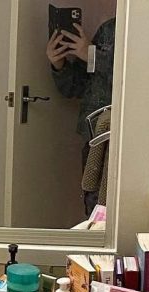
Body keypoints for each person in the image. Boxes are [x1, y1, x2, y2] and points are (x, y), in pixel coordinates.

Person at [46, 18, 116, 213]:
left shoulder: (148, 33)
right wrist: (58, 64)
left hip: (126, 139)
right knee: (93, 206)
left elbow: (137, 76)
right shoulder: (107, 30)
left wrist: (93, 55)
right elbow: (75, 87)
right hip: (94, 135)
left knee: (115, 210)